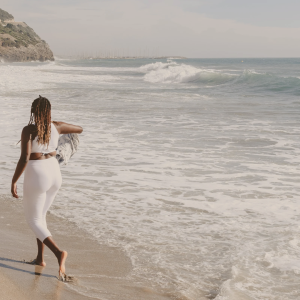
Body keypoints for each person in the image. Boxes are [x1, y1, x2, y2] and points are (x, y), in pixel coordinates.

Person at [11, 95, 83, 280]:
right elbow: (79, 129)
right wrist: (58, 125)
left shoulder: (29, 129)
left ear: (34, 112)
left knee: (33, 220)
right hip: (54, 172)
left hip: (37, 174)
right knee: (40, 217)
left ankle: (59, 253)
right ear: (49, 111)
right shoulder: (57, 126)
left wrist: (14, 181)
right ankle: (40, 259)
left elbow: (24, 158)